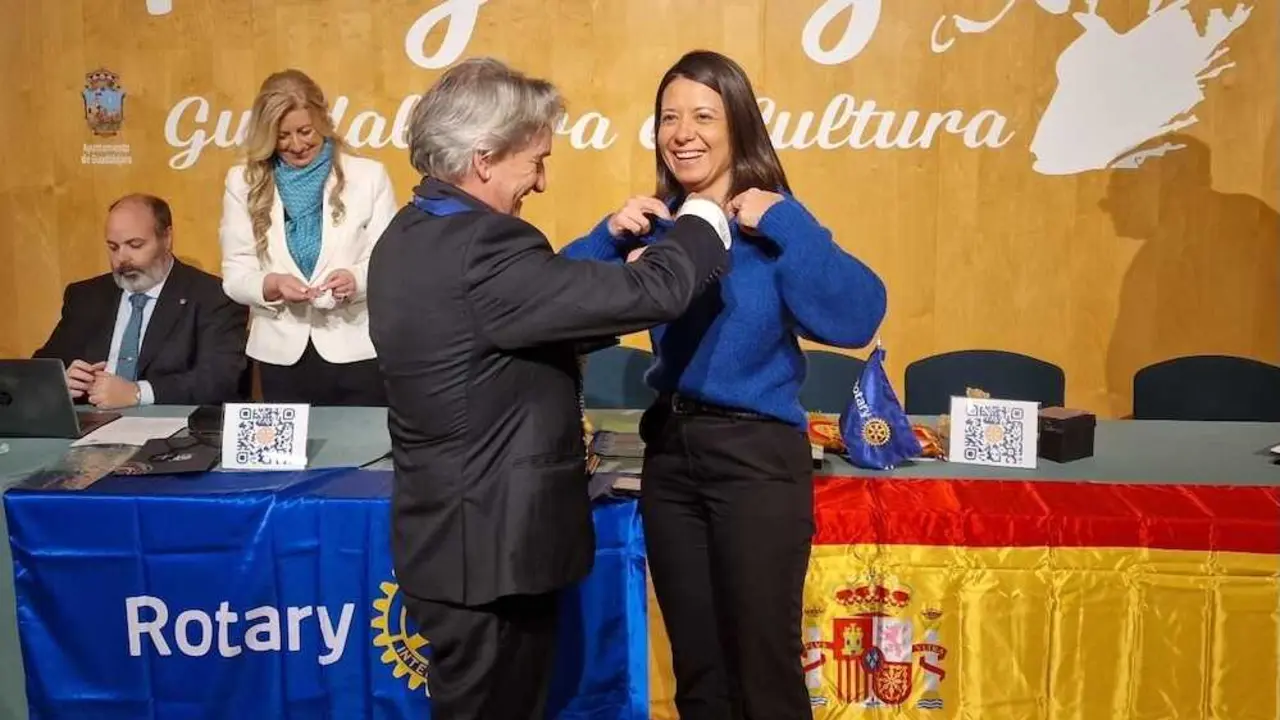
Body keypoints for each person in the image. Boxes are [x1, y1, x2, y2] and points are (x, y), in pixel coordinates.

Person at [366, 57, 732, 719]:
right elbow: (656, 291)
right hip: (489, 559)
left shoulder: (412, 231)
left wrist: (604, 243)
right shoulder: (482, 247)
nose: (540, 180)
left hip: (456, 547)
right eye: (534, 160)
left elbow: (527, 317)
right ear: (484, 157)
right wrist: (704, 217)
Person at [561, 50, 887, 719]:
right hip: (673, 459)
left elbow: (858, 317)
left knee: (763, 673)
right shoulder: (659, 229)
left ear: (738, 124)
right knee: (700, 676)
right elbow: (555, 308)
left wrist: (787, 222)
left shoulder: (773, 225)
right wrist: (606, 237)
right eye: (669, 117)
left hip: (758, 462)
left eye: (703, 115)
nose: (683, 132)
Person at [219, 69, 397, 406]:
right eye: (282, 135)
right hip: (280, 355)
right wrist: (271, 284)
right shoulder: (242, 181)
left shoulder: (368, 177)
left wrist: (354, 280)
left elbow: (388, 262)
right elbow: (235, 273)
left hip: (356, 349)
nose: (297, 145)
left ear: (323, 120)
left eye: (305, 131)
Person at [35, 194, 248, 408]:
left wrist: (138, 393)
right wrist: (61, 381)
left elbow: (220, 380)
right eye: (113, 247)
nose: (122, 259)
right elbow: (40, 369)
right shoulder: (87, 296)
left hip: (168, 428)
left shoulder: (213, 296)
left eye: (135, 245)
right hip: (90, 422)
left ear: (166, 238)